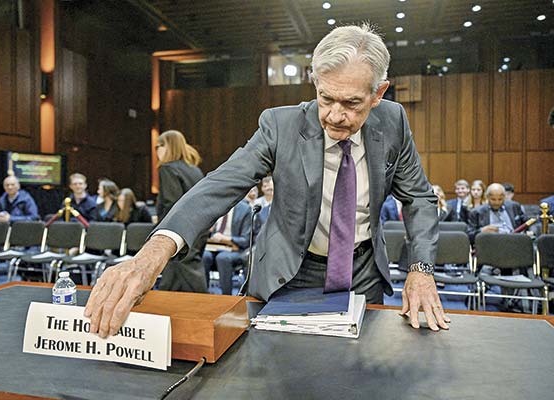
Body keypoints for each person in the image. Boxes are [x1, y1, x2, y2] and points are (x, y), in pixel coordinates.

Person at [85, 23, 448, 338]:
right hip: (290, 272)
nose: (335, 116)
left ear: (378, 94)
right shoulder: (279, 126)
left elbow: (418, 199)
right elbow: (220, 185)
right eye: (326, 98)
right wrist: (152, 255)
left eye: (352, 103)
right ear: (315, 83)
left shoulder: (393, 121)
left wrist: (421, 269)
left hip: (363, 271)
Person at [153, 130, 208, 293]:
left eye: (158, 146)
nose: (157, 151)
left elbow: (172, 203)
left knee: (179, 276)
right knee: (187, 275)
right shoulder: (194, 169)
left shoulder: (168, 168)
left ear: (167, 147)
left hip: (178, 231)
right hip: (198, 228)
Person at [0, 175, 40, 280]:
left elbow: (34, 218)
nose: (10, 187)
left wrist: (11, 218)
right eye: (7, 185)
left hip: (22, 232)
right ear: (4, 187)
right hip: (4, 232)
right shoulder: (1, 200)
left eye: (12, 185)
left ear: (18, 186)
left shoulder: (26, 199)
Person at [203, 199, 252, 295]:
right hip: (213, 246)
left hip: (235, 249)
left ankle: (227, 296)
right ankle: (203, 294)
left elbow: (245, 240)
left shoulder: (245, 209)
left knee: (223, 258)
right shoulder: (214, 206)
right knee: (204, 256)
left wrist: (226, 238)